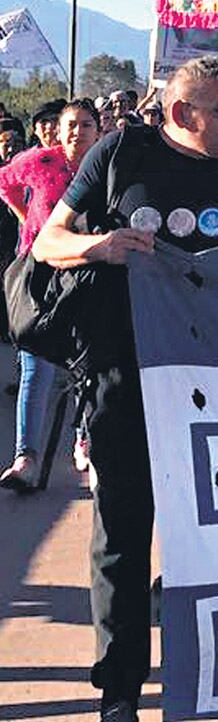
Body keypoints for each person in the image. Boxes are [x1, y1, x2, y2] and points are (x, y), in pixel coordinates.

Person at [31, 56, 218, 722]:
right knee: (122, 535)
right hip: (121, 371)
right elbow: (49, 241)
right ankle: (118, 703)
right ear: (181, 113)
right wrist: (100, 246)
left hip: (215, 380)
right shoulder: (121, 153)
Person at [0, 100, 101, 493]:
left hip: (89, 274)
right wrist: (27, 218)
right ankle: (25, 458)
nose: (78, 132)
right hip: (40, 276)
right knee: (35, 367)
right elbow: (5, 181)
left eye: (86, 125)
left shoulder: (106, 165)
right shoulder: (40, 162)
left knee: (88, 366)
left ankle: (84, 442)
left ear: (98, 130)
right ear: (58, 130)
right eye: (70, 125)